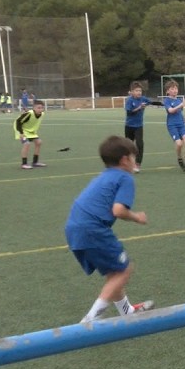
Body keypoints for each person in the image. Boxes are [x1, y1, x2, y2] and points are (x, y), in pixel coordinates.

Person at [65, 135, 153, 324]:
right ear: (124, 160)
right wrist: (137, 217)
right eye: (133, 157)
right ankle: (89, 321)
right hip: (92, 229)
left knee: (115, 272)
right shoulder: (124, 177)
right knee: (124, 270)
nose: (134, 162)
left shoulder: (104, 176)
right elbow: (119, 210)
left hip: (74, 228)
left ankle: (127, 311)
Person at [163, 80, 185, 171]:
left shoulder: (179, 100)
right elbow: (171, 111)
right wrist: (180, 105)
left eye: (176, 88)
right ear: (168, 91)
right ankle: (180, 158)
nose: (175, 90)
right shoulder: (167, 100)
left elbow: (180, 113)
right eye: (172, 89)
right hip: (172, 125)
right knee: (179, 144)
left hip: (181, 124)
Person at [123, 81, 152, 173]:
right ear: (131, 92)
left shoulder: (143, 99)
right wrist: (139, 108)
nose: (139, 92)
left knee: (140, 144)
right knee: (128, 146)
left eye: (140, 90)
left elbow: (151, 102)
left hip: (139, 126)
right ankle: (127, 163)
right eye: (136, 90)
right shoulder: (129, 100)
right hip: (129, 126)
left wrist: (163, 104)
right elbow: (129, 112)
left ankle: (137, 164)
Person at [15, 100, 47, 169]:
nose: (40, 109)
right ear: (34, 108)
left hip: (31, 132)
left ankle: (35, 162)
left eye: (42, 108)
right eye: (38, 108)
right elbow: (18, 121)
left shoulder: (42, 114)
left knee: (39, 142)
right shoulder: (29, 114)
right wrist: (21, 133)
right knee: (27, 144)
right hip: (21, 130)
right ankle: (24, 164)